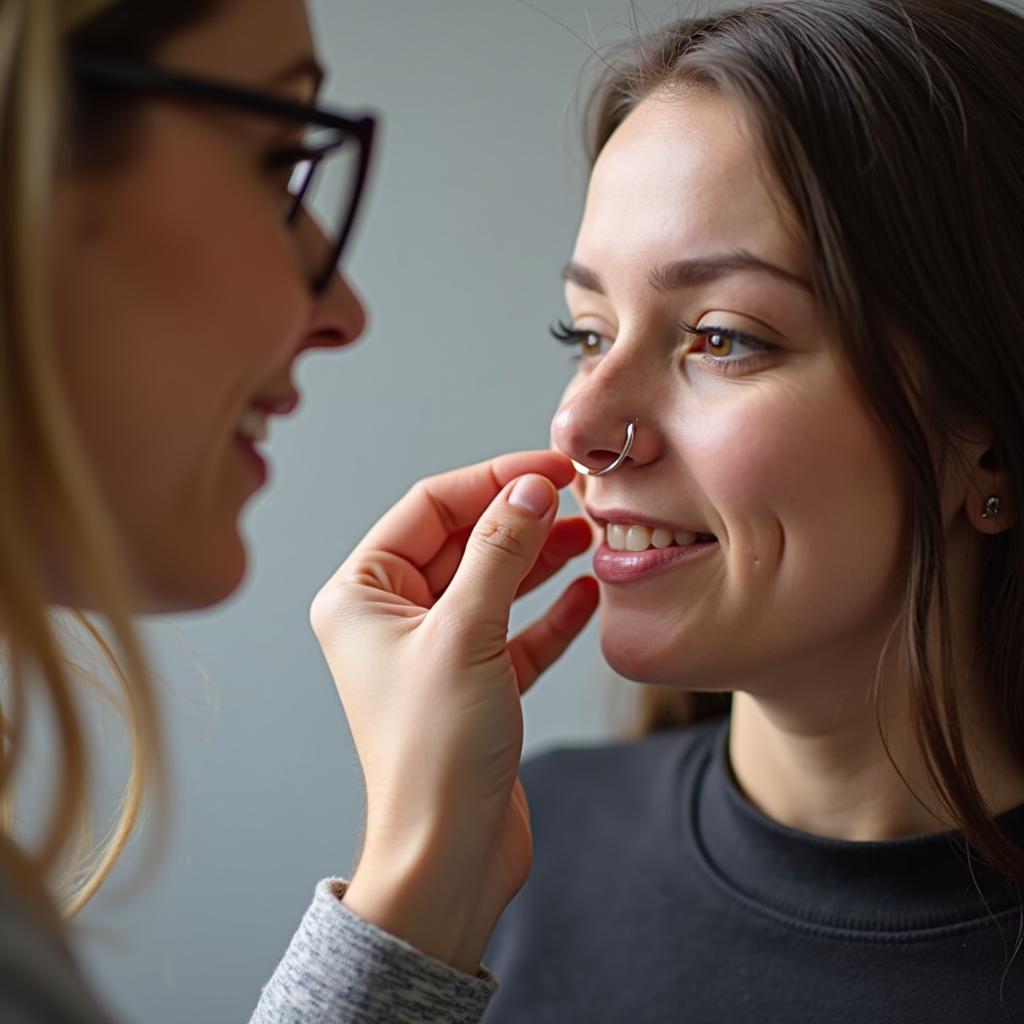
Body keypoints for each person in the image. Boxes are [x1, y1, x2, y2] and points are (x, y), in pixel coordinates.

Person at [5, 0, 1024, 1022]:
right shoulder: (513, 862)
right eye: (584, 331)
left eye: (719, 337)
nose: (580, 419)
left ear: (983, 431)